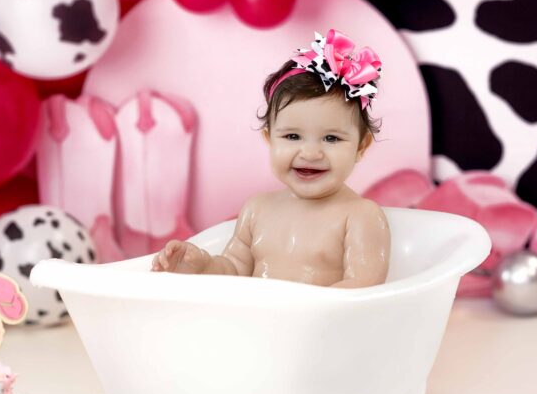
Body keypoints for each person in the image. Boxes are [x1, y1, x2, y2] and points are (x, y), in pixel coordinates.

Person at [152, 29, 391, 288]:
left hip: (317, 316)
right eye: (292, 136)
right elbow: (233, 272)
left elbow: (363, 287)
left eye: (331, 138)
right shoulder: (256, 210)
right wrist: (201, 266)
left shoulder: (359, 216)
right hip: (256, 314)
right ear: (269, 139)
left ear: (361, 146)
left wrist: (305, 309)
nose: (310, 153)